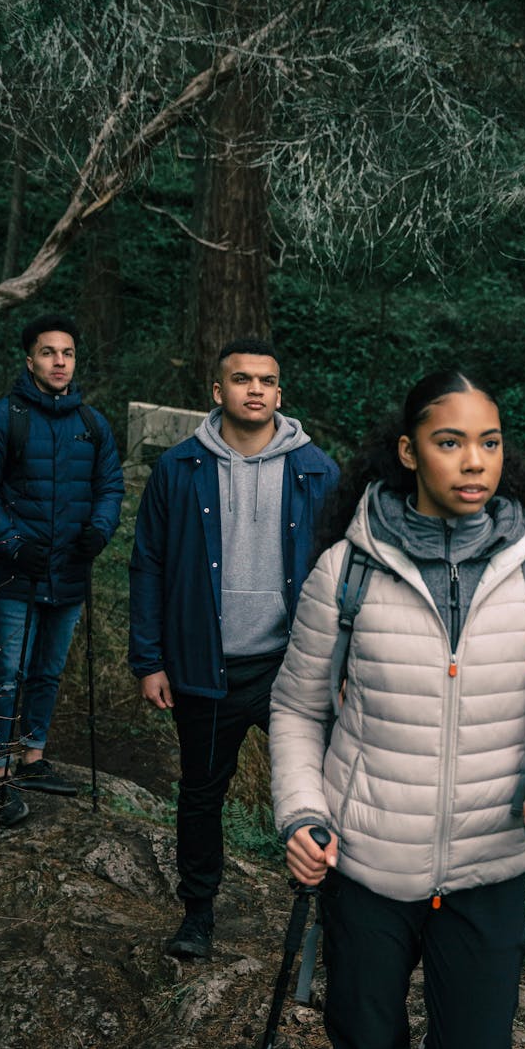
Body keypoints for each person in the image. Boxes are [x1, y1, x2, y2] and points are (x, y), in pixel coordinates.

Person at [269, 369, 525, 1049]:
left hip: (490, 865)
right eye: (450, 441)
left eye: (490, 442)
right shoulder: (346, 572)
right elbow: (297, 707)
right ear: (410, 451)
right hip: (364, 864)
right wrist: (301, 814)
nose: (474, 460)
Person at [129, 337, 339, 958]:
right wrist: (150, 659)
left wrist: (346, 662)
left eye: (266, 381)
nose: (255, 390)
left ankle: (335, 916)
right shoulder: (179, 469)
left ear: (280, 393)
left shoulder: (317, 470)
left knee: (322, 791)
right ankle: (197, 914)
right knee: (200, 794)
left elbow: (344, 574)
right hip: (205, 667)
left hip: (292, 669)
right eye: (242, 379)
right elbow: (148, 565)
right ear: (217, 392)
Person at [0, 313, 124, 825]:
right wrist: (11, 542)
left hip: (69, 574)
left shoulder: (92, 425)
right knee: (8, 672)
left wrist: (99, 530)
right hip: (18, 573)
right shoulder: (2, 418)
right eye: (49, 352)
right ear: (29, 358)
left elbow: (111, 487)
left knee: (48, 672)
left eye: (68, 353)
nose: (60, 361)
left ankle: (33, 757)